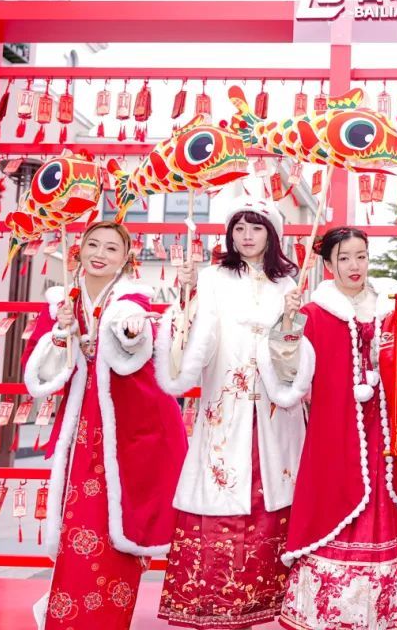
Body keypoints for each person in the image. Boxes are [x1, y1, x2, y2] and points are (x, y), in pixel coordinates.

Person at [22, 221, 186, 630]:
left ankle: (109, 618)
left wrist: (129, 332)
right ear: (78, 248)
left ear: (125, 257)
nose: (100, 254)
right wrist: (61, 332)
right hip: (82, 423)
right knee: (78, 520)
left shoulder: (132, 299)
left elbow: (135, 339)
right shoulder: (61, 300)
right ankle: (66, 614)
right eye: (93, 244)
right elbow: (41, 375)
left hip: (128, 426)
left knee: (120, 522)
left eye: (112, 248)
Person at [155, 196, 308, 629]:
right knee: (222, 487)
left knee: (271, 490)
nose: (246, 236)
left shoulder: (288, 284)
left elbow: (297, 351)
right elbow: (195, 341)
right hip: (226, 402)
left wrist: (292, 325)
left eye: (256, 228)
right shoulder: (212, 277)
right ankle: (214, 604)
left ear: (271, 234)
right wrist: (186, 296)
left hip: (275, 409)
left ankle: (268, 601)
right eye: (239, 228)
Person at [279, 226, 397, 630]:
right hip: (335, 432)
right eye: (344, 258)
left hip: (387, 434)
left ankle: (387, 614)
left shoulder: (392, 307)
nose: (354, 265)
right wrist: (288, 322)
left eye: (361, 256)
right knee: (335, 499)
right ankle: (329, 614)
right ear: (328, 265)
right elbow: (288, 372)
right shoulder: (314, 313)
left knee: (386, 505)